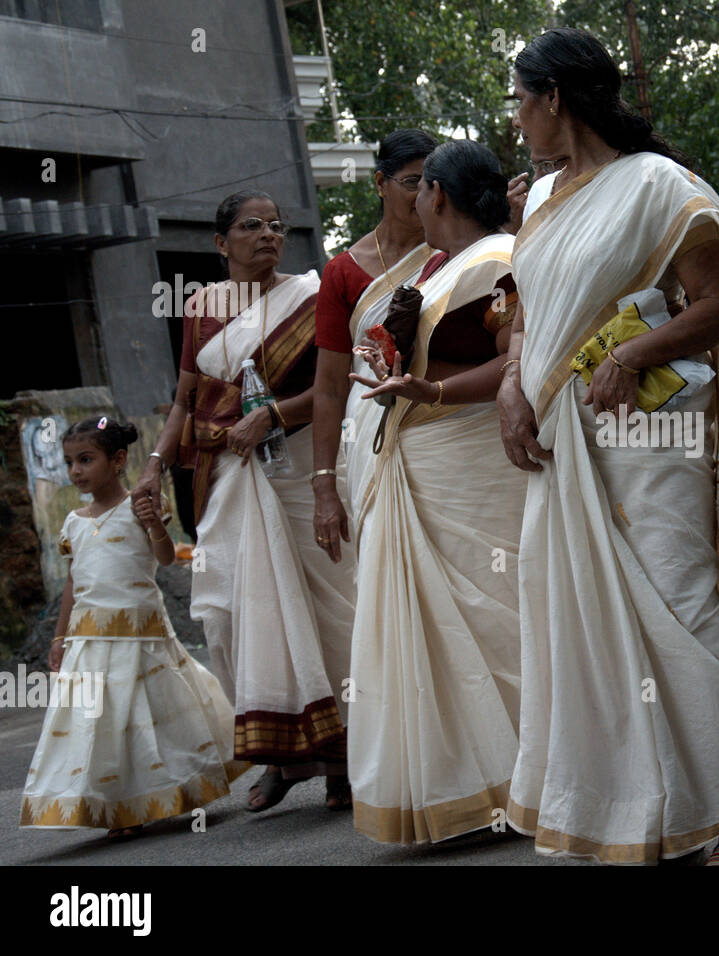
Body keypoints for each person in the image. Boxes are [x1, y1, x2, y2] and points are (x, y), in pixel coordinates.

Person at [500, 27, 719, 866]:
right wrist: (514, 386)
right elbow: (525, 317)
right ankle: (641, 813)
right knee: (587, 620)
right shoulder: (544, 203)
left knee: (681, 610)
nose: (515, 120)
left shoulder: (659, 185)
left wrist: (630, 354)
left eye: (520, 99)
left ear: (555, 97)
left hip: (651, 434)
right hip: (564, 440)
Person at [132, 191, 355, 813]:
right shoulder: (200, 308)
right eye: (251, 226)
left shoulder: (311, 299)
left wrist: (273, 417)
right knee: (232, 615)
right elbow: (184, 398)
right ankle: (279, 759)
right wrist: (153, 465)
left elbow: (336, 388)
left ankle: (342, 757)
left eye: (277, 226)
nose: (268, 235)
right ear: (219, 242)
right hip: (227, 479)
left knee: (321, 608)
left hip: (298, 473)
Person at [339, 140, 527, 845]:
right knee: (445, 627)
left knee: (496, 615)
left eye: (422, 190)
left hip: (471, 463)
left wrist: (430, 387)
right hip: (425, 457)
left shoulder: (496, 261)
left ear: (439, 196)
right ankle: (467, 783)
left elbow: (517, 357)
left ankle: (526, 773)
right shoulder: (442, 271)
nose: (415, 200)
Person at [22, 418, 248, 837]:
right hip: (89, 638)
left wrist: (155, 525)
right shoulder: (73, 523)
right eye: (70, 462)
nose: (75, 471)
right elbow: (73, 583)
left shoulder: (140, 505)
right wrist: (59, 636)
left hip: (141, 632)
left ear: (118, 459)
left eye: (86, 460)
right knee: (102, 722)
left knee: (145, 717)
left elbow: (164, 559)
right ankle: (119, 807)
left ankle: (159, 793)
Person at [312, 128, 438, 569]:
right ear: (380, 183)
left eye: (432, 183)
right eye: (411, 182)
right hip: (371, 427)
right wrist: (325, 485)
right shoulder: (342, 272)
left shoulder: (459, 252)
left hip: (449, 422)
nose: (423, 195)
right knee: (389, 565)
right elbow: (328, 387)